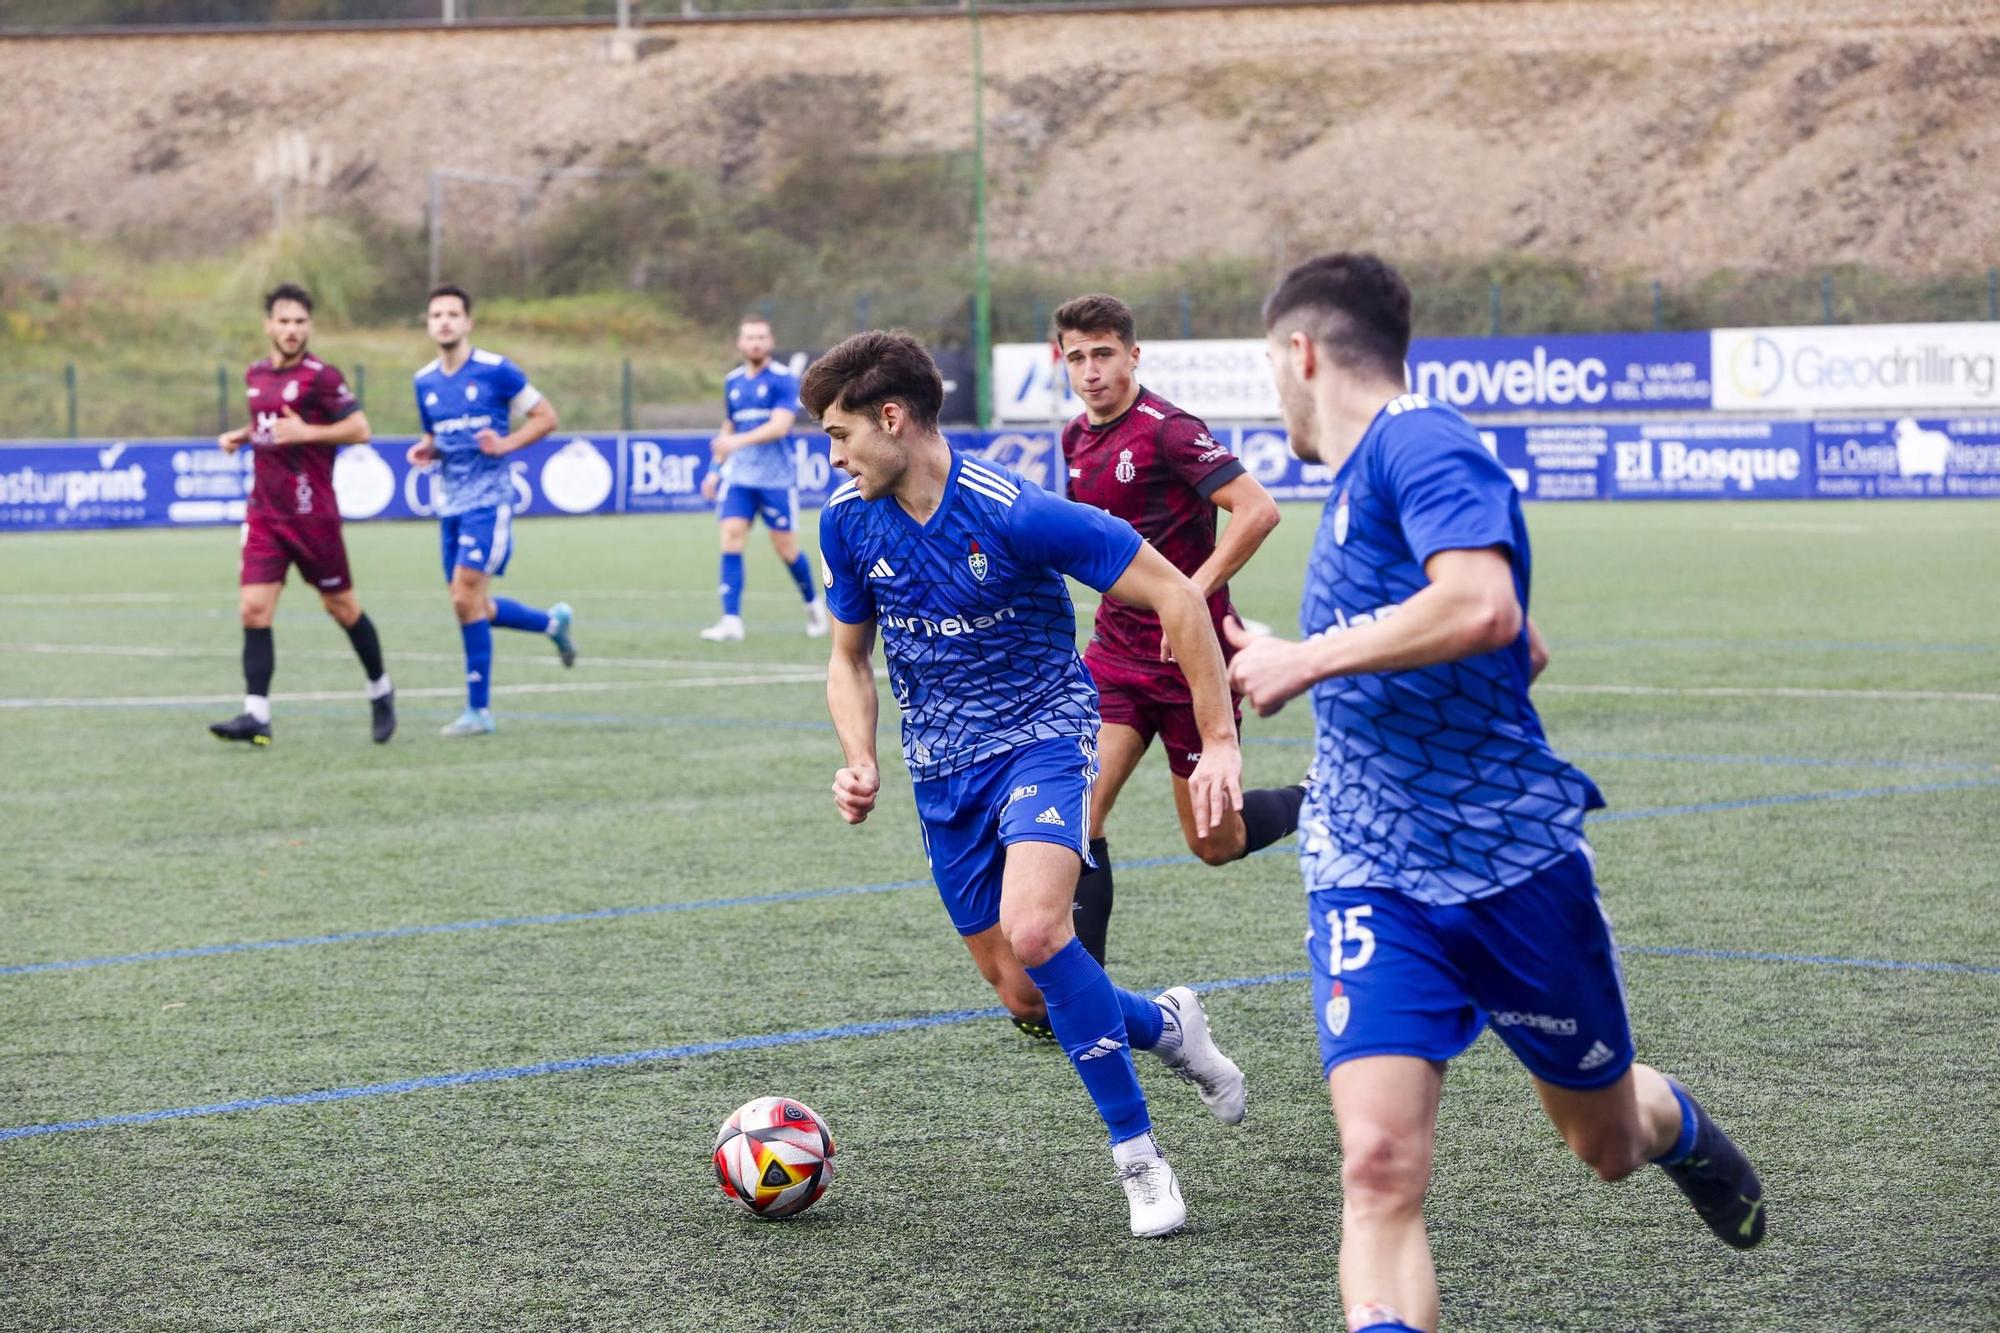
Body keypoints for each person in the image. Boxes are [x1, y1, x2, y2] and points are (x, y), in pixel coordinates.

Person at [1225, 253, 1766, 1333]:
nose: (1270, 392)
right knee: (1377, 1166)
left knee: (1602, 1143)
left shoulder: (1419, 439)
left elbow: (1479, 602)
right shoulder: (1349, 489)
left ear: (1300, 353)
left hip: (1509, 869)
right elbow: (1524, 643)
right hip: (1368, 873)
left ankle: (1675, 1128)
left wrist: (1305, 658)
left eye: (1268, 369)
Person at [807, 330, 1248, 1238]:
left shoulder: (1017, 512)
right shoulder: (847, 522)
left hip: (1044, 737)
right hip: (943, 772)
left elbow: (1176, 595)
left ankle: (1141, 1161)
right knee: (1022, 995)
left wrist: (1217, 741)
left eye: (840, 434)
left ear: (893, 418)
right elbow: (849, 660)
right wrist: (861, 756)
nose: (837, 455)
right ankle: (1166, 1026)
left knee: (1041, 929)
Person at [1052, 292, 1304, 975]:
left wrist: (1189, 594)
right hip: (1115, 656)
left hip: (1191, 658)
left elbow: (1257, 510)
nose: (1091, 370)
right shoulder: (1074, 439)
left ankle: (1320, 797)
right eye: (1077, 357)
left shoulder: (1169, 429)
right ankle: (1081, 998)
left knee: (1215, 842)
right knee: (1078, 814)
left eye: (1104, 354)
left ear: (1133, 355)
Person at [209, 283, 394, 747]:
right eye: (284, 321)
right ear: (268, 325)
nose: (292, 330)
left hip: (312, 516)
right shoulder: (255, 374)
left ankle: (381, 689)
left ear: (309, 326)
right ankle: (257, 715)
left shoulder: (323, 377)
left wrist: (308, 431)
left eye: (300, 322)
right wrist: (242, 436)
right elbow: (270, 425)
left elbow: (360, 429)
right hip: (265, 515)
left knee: (342, 608)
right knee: (254, 610)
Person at [408, 284, 577, 737]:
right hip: (450, 504)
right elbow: (436, 437)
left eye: (452, 313)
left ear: (468, 322)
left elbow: (546, 417)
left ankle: (479, 711)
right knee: (471, 603)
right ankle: (550, 623)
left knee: (465, 599)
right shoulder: (424, 381)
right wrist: (427, 450)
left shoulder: (496, 371)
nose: (444, 320)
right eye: (436, 314)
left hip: (490, 500)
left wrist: (505, 444)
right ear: (428, 325)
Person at [697, 315, 830, 642]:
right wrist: (715, 470)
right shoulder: (733, 382)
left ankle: (812, 603)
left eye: (761, 337)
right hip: (740, 477)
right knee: (730, 537)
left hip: (776, 480)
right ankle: (731, 620)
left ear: (770, 343)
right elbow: (729, 426)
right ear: (740, 344)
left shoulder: (783, 380)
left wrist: (735, 443)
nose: (755, 342)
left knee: (786, 549)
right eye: (749, 337)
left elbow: (780, 426)